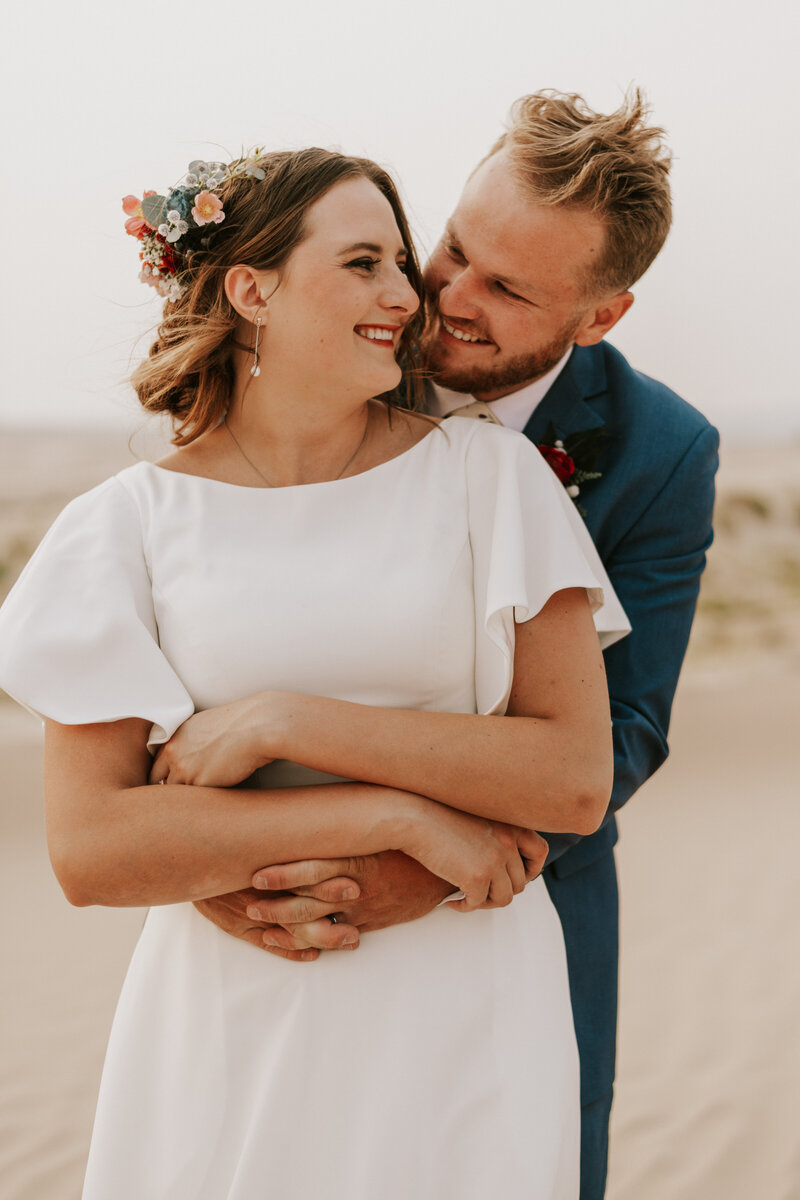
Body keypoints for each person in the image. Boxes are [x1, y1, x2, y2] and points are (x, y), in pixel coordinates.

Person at [0, 146, 630, 1198]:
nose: (404, 294)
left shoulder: (488, 479)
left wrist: (288, 721)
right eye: (361, 264)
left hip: (461, 1007)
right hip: (229, 1014)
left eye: (399, 259)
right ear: (252, 289)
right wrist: (395, 816)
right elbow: (94, 848)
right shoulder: (123, 528)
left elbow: (570, 777)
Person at [188, 91, 719, 1200]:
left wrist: (415, 869)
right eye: (454, 251)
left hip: (523, 898)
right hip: (281, 905)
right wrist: (216, 858)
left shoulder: (661, 450)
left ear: (599, 317)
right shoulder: (317, 369)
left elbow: (624, 727)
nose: (443, 300)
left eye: (506, 289)